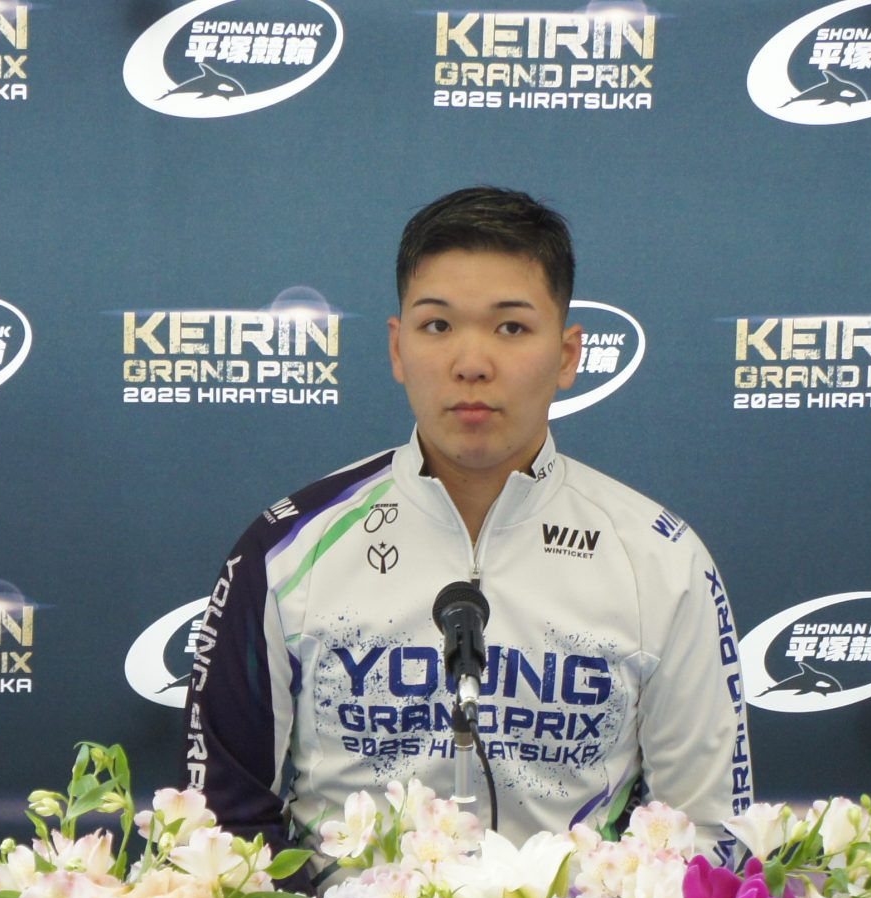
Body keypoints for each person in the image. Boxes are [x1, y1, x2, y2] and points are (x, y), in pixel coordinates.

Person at [183, 187, 751, 852]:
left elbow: (708, 833)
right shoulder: (284, 549)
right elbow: (220, 829)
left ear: (568, 355)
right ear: (397, 349)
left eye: (511, 328)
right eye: (437, 326)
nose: (472, 364)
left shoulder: (661, 560)